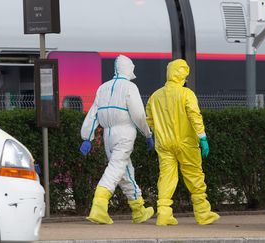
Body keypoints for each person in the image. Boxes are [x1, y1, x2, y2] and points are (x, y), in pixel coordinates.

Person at [80, 55, 154, 225]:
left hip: (108, 134)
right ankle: (99, 207)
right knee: (115, 169)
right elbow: (138, 114)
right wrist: (147, 134)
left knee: (125, 170)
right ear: (129, 68)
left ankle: (138, 209)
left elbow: (93, 114)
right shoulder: (130, 87)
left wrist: (87, 138)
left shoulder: (103, 88)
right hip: (125, 133)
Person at [145, 59, 220, 226]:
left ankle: (164, 214)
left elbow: (149, 120)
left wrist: (158, 132)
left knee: (166, 177)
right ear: (183, 75)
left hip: (164, 144)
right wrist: (203, 138)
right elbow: (195, 116)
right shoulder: (187, 94)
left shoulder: (155, 96)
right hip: (186, 143)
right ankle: (203, 214)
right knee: (194, 176)